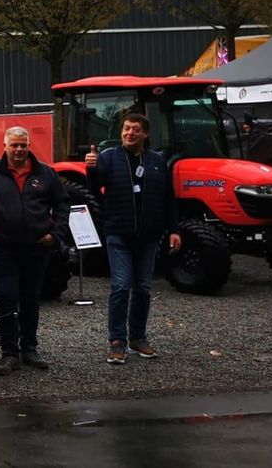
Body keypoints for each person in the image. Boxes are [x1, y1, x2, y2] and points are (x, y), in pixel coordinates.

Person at [85, 113, 181, 365]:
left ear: (145, 134)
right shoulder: (108, 158)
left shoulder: (158, 162)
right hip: (118, 232)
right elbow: (95, 188)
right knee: (121, 285)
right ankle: (117, 341)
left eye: (135, 129)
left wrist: (174, 230)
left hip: (149, 235)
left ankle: (138, 338)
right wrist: (91, 169)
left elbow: (168, 198)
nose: (130, 133)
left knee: (143, 287)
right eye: (126, 129)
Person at [0, 126, 70, 375]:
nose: (19, 150)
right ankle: (9, 354)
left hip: (37, 248)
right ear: (5, 146)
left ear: (29, 146)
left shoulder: (45, 174)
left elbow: (62, 204)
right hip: (3, 247)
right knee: (7, 298)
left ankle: (29, 349)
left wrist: (56, 235)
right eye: (14, 145)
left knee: (30, 299)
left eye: (23, 145)